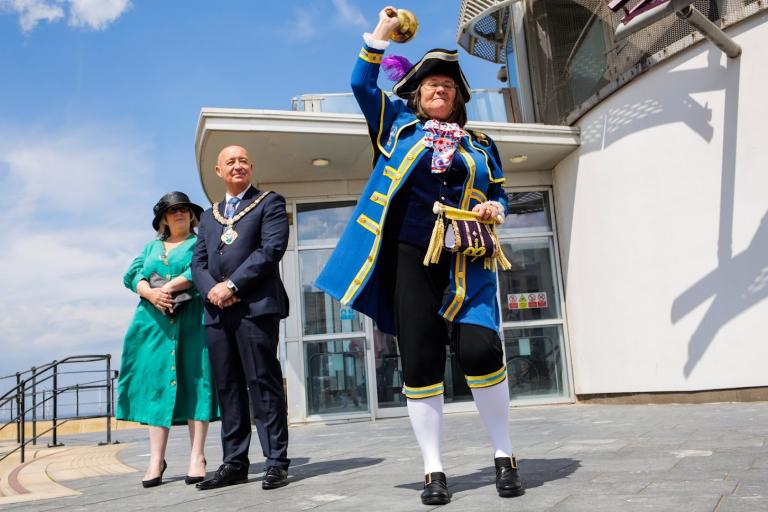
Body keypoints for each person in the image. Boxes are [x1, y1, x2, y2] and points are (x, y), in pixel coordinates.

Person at [316, 7, 525, 506]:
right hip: (412, 259)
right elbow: (362, 83)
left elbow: (501, 192)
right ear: (417, 94)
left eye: (448, 87)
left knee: (480, 350)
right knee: (422, 360)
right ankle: (434, 470)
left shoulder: (481, 144)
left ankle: (505, 454)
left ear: (458, 99)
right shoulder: (397, 127)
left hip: (469, 260)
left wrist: (496, 205)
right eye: (431, 85)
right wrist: (382, 33)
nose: (439, 91)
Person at [191, 145, 291, 491]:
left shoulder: (269, 202)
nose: (238, 166)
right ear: (218, 171)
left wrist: (232, 284)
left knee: (263, 384)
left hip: (256, 308)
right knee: (228, 387)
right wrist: (213, 291)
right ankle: (234, 461)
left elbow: (270, 250)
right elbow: (197, 263)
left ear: (251, 167)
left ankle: (276, 461)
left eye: (244, 160)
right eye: (230, 162)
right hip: (217, 313)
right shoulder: (207, 216)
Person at [117, 191, 219, 488]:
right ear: (163, 217)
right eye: (172, 210)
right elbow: (131, 275)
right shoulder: (150, 246)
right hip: (153, 325)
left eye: (184, 209)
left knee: (196, 383)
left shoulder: (200, 242)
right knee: (156, 386)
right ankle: (155, 460)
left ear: (191, 215)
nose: (179, 214)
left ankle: (197, 456)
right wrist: (150, 292)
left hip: (192, 321)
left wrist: (168, 289)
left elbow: (200, 269)